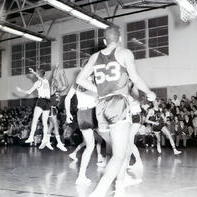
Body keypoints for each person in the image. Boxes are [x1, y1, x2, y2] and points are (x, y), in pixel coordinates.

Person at [75, 26, 156, 197]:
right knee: (119, 154)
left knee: (122, 147)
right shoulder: (124, 53)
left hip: (101, 106)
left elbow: (80, 80)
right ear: (119, 39)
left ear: (104, 41)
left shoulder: (95, 56)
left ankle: (121, 184)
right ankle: (98, 192)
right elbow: (135, 78)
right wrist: (149, 92)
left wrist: (100, 90)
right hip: (118, 103)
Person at [16, 68, 51, 148]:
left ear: (38, 75)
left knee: (35, 119)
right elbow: (40, 76)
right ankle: (45, 139)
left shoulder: (37, 82)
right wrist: (35, 72)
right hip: (48, 101)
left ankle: (31, 137)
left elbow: (28, 92)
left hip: (41, 100)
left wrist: (20, 90)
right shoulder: (46, 81)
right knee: (45, 122)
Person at [39, 64, 68, 151]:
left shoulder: (58, 90)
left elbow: (66, 85)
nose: (56, 82)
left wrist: (63, 75)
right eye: (55, 82)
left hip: (54, 109)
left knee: (51, 126)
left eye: (56, 81)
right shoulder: (51, 90)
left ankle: (46, 141)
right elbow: (53, 78)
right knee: (55, 125)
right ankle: (59, 143)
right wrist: (55, 69)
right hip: (50, 108)